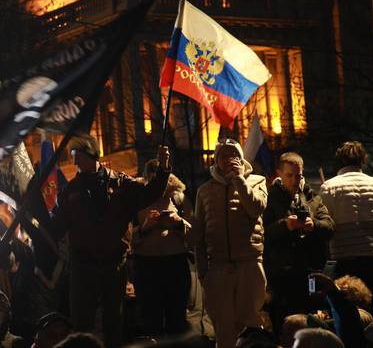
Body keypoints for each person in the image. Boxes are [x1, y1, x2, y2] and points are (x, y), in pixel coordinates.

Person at [51, 134, 170, 347]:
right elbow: (57, 227)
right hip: (82, 264)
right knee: (81, 322)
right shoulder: (69, 192)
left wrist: (163, 168)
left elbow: (149, 193)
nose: (74, 161)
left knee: (114, 320)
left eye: (77, 155)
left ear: (92, 154)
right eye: (72, 156)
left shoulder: (121, 183)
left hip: (114, 263)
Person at [192, 138, 267, 348]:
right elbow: (199, 234)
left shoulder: (257, 181)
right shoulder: (204, 190)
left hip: (249, 266)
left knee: (250, 326)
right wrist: (203, 272)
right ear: (216, 160)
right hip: (218, 269)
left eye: (233, 155)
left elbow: (256, 208)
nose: (228, 160)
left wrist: (239, 180)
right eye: (223, 156)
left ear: (241, 158)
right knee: (223, 329)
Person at [263, 152, 335, 332]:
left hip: (310, 271)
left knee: (311, 321)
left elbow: (330, 227)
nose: (295, 180)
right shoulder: (268, 200)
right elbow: (261, 234)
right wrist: (285, 225)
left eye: (299, 175)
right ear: (279, 173)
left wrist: (314, 225)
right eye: (290, 175)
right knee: (285, 322)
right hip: (282, 273)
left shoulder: (312, 198)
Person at [132, 160, 192, 337]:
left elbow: (195, 234)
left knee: (177, 320)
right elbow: (127, 237)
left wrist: (178, 223)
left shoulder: (178, 198)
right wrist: (144, 228)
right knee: (151, 320)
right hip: (147, 266)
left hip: (175, 264)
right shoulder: (137, 199)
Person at [319, 141, 373, 304]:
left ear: (340, 160)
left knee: (350, 311)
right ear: (363, 160)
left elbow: (324, 226)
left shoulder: (330, 187)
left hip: (345, 259)